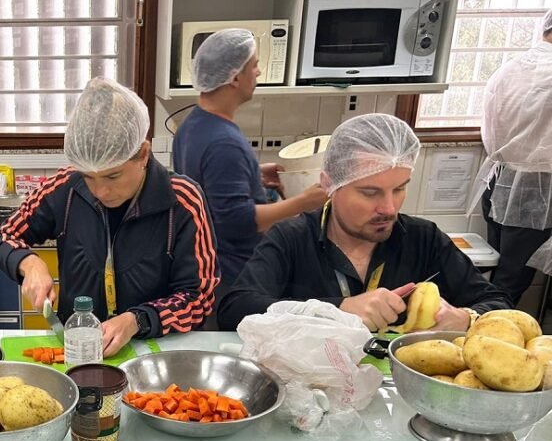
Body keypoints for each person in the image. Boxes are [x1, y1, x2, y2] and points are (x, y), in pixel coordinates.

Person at [218, 113, 513, 331]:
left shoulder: (423, 239)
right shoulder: (292, 238)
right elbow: (235, 309)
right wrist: (337, 309)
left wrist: (467, 318)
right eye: (369, 192)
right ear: (330, 185)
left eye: (399, 189)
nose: (388, 208)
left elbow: (500, 304)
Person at [0, 78, 219, 356]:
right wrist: (29, 263)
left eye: (113, 175)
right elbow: (6, 234)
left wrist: (137, 320)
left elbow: (199, 299)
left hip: (155, 352)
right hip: (76, 350)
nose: (100, 191)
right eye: (89, 177)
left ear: (144, 154)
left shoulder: (182, 200)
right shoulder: (65, 187)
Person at [172, 29, 327, 288]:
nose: (258, 72)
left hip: (208, 266)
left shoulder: (191, 125)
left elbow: (206, 187)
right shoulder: (225, 143)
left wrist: (253, 175)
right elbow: (238, 221)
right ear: (234, 77)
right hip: (234, 273)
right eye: (254, 65)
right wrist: (303, 202)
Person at [472, 9, 552, 306]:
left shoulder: (512, 67)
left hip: (499, 181)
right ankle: (490, 337)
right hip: (536, 193)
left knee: (500, 271)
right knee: (512, 280)